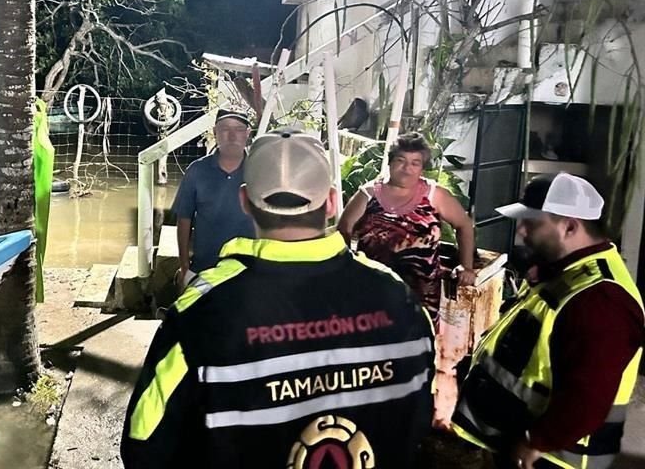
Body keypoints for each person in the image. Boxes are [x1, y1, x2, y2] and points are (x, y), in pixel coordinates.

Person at [122, 128, 436, 468]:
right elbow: (419, 417)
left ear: (244, 201)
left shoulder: (201, 312)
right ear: (331, 202)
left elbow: (144, 444)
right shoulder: (400, 299)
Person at [452, 173, 645, 469]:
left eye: (532, 223)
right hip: (523, 440)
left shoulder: (602, 302)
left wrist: (535, 441)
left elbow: (588, 397)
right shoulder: (566, 269)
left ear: (569, 226)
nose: (522, 233)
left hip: (550, 457)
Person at [338, 132, 476, 316]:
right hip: (372, 294)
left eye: (415, 163)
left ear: (422, 168)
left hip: (422, 298)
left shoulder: (435, 195)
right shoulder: (368, 194)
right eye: (400, 160)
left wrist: (465, 266)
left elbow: (464, 225)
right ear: (390, 161)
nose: (407, 168)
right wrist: (347, 268)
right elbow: (343, 229)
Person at [171, 109, 255, 278]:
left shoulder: (261, 171)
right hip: (204, 268)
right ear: (215, 132)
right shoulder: (196, 170)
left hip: (249, 270)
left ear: (248, 134)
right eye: (224, 129)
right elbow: (184, 218)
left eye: (238, 130)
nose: (231, 136)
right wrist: (184, 265)